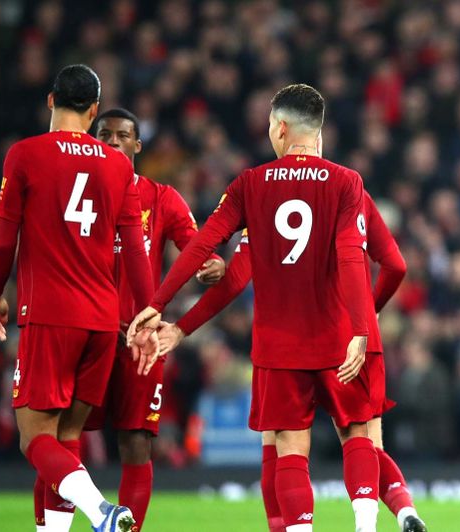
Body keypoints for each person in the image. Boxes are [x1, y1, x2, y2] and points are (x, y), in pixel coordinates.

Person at [128, 84, 378, 532]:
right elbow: (351, 257)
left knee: (289, 447)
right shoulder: (346, 182)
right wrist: (360, 328)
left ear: (280, 128)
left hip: (278, 344)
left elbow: (206, 245)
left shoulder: (251, 184)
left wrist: (160, 304)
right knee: (357, 431)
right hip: (336, 335)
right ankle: (366, 527)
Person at [157, 190, 427, 532]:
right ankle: (395, 514)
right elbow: (396, 265)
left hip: (284, 338)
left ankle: (287, 528)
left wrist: (180, 326)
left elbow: (236, 279)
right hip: (350, 331)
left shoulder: (263, 193)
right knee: (362, 437)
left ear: (280, 133)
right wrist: (369, 313)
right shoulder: (349, 190)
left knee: (282, 443)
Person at [28, 107, 226, 532]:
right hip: (87, 334)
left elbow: (192, 246)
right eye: (105, 134)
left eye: (122, 136)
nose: (113, 141)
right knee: (65, 436)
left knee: (137, 443)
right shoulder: (73, 195)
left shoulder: (162, 198)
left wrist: (209, 263)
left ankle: (123, 528)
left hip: (142, 342)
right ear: (94, 139)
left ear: (137, 145)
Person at [0, 64, 159, 532]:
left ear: (50, 101)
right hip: (102, 321)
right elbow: (137, 251)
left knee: (34, 439)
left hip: (49, 314)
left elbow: (4, 241)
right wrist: (147, 314)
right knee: (66, 438)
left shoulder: (24, 155)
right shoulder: (119, 165)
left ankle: (100, 510)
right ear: (94, 111)